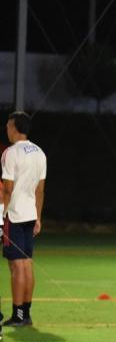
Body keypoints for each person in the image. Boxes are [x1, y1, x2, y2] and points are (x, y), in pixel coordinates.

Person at [2, 111, 47, 328]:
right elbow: (40, 191)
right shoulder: (39, 152)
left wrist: (1, 214)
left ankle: (18, 316)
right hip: (30, 214)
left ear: (15, 127)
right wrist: (38, 217)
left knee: (16, 266)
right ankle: (26, 314)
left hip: (14, 215)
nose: (6, 130)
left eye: (8, 126)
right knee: (27, 264)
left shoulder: (11, 153)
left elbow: (8, 189)